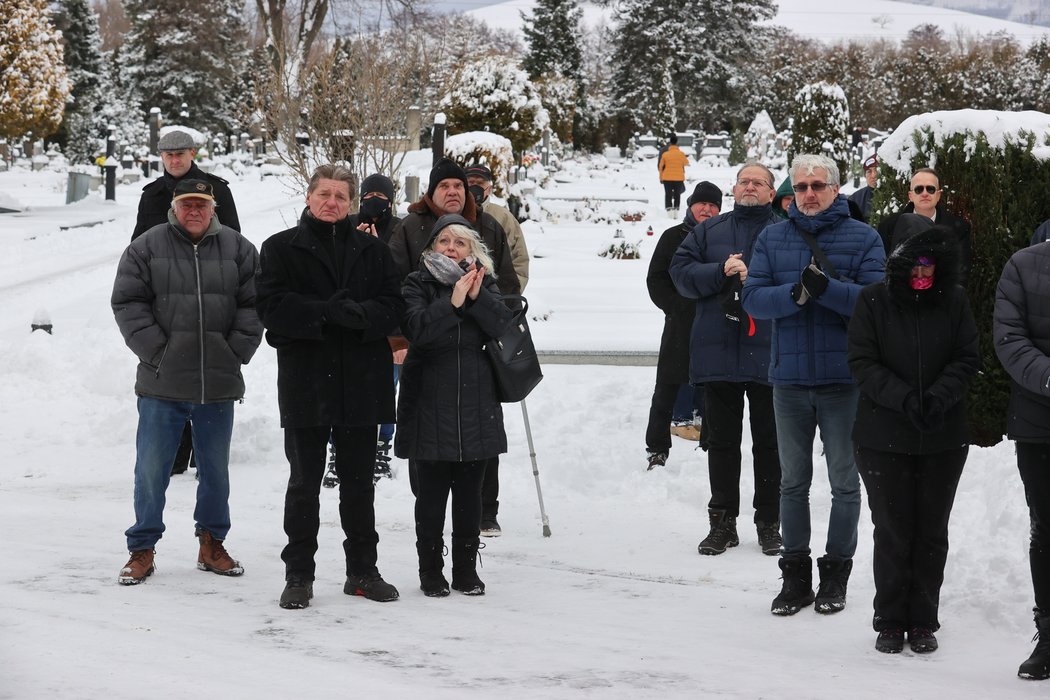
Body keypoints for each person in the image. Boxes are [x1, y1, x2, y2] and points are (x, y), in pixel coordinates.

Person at [741, 153, 886, 617]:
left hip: (844, 380)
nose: (808, 193)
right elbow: (753, 300)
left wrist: (828, 290)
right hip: (789, 381)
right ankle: (796, 577)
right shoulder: (773, 235)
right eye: (800, 186)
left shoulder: (863, 237)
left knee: (845, 482)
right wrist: (794, 295)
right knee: (792, 483)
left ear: (835, 189)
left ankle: (836, 574)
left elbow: (877, 301)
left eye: (817, 185)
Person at [255, 164, 404, 610]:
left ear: (352, 201)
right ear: (308, 196)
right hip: (307, 383)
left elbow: (394, 307)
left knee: (360, 484)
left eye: (341, 195)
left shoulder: (375, 253)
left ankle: (362, 571)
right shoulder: (280, 249)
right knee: (304, 483)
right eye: (324, 193)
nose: (332, 202)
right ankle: (298, 574)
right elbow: (272, 309)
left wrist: (356, 316)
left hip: (362, 381)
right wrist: (326, 312)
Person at [111, 178, 262, 585]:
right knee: (152, 470)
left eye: (201, 204)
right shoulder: (146, 246)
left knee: (215, 471)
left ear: (213, 208)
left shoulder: (239, 249)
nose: (193, 211)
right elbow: (127, 302)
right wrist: (158, 353)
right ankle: (142, 548)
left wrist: (233, 353)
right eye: (186, 204)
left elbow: (254, 304)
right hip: (162, 383)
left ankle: (212, 543)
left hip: (217, 384)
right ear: (174, 207)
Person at [848, 225, 978, 655]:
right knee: (892, 529)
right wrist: (903, 398)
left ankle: (923, 620)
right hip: (883, 435)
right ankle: (889, 618)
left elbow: (966, 356)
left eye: (931, 266)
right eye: (915, 266)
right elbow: (862, 362)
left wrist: (940, 396)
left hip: (943, 435)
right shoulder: (872, 301)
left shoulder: (954, 300)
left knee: (930, 531)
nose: (923, 275)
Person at [389, 158, 520, 537]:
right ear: (432, 191)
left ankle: (485, 510)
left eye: (459, 186)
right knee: (429, 455)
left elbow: (507, 283)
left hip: (476, 364)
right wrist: (400, 339)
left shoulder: (489, 225)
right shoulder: (410, 227)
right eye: (444, 185)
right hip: (429, 359)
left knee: (479, 445)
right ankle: (431, 544)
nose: (453, 192)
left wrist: (488, 303)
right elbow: (397, 289)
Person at [395, 214, 515, 597]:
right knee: (429, 497)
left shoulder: (486, 283)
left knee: (470, 496)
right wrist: (453, 301)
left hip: (476, 401)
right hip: (429, 400)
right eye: (444, 241)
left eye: (460, 242)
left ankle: (465, 569)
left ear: (472, 250)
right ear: (432, 247)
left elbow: (502, 326)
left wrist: (477, 298)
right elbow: (418, 331)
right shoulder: (418, 283)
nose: (452, 248)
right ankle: (430, 570)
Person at [670, 164, 782, 556]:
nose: (750, 187)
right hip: (718, 349)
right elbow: (680, 274)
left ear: (772, 192)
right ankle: (722, 522)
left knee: (771, 443)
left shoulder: (785, 231)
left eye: (759, 183)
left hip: (770, 352)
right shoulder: (709, 231)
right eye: (744, 181)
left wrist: (762, 283)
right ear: (734, 188)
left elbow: (800, 278)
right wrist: (721, 270)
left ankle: (769, 522)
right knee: (720, 443)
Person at [132, 128, 241, 478]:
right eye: (168, 155)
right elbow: (137, 248)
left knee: (206, 373)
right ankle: (176, 452)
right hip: (165, 298)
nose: (174, 160)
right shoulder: (151, 196)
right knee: (169, 375)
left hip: (210, 293)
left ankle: (202, 449)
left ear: (193, 153)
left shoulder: (217, 190)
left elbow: (234, 243)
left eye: (180, 154)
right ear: (161, 157)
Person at [321, 173, 403, 488]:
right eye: (369, 196)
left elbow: (396, 280)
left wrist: (374, 247)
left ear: (390, 202)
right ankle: (336, 450)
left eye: (381, 198)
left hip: (385, 327)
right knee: (338, 390)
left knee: (384, 390)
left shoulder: (399, 230)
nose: (374, 203)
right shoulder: (346, 224)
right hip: (345, 325)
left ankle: (381, 447)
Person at [993, 239, 1050, 679]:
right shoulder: (1024, 264)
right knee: (1048, 530)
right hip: (1041, 423)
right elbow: (1010, 338)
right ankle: (1049, 635)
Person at [643, 181, 722, 470]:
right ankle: (657, 447)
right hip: (680, 324)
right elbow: (656, 279)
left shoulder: (722, 237)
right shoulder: (672, 237)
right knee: (666, 387)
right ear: (691, 205)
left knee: (714, 387)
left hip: (715, 324)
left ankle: (710, 443)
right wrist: (675, 306)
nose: (707, 209)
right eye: (702, 203)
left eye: (714, 205)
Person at [877, 168, 971, 282]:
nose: (925, 193)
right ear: (910, 195)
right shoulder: (889, 227)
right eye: (919, 189)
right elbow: (883, 269)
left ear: (938, 195)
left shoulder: (958, 229)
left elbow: (960, 273)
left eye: (930, 189)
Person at [465, 164, 530, 291]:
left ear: (489, 189)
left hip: (495, 299)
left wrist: (509, 296)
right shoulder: (453, 213)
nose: (475, 186)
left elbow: (519, 258)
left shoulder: (503, 217)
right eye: (471, 182)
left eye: (480, 182)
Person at [658, 133, 690, 216]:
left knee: (668, 194)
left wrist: (661, 178)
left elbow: (661, 167)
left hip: (667, 177)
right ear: (676, 143)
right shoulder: (681, 154)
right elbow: (686, 163)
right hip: (678, 177)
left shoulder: (665, 154)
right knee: (677, 194)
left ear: (670, 143)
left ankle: (669, 212)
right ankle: (676, 211)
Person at [847, 154, 878, 223]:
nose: (873, 175)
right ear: (865, 175)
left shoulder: (894, 196)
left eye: (876, 170)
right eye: (869, 171)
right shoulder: (855, 200)